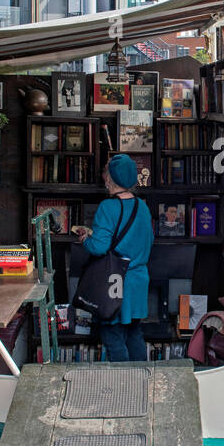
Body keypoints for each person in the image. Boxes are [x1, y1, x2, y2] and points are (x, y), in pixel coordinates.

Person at [73, 154, 153, 361]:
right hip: (137, 282)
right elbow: (146, 240)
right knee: (134, 335)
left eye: (106, 174)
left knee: (112, 337)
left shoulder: (108, 207)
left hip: (114, 284)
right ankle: (141, 383)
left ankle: (124, 387)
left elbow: (99, 248)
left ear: (111, 178)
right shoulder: (142, 207)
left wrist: (85, 239)